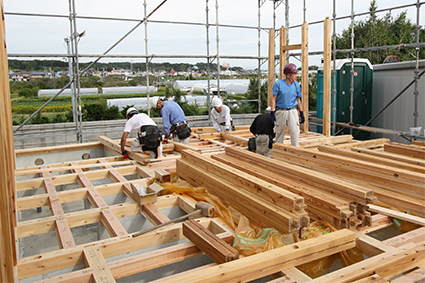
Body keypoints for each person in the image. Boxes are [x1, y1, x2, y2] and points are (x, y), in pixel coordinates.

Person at [270, 63, 305, 147]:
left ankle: (296, 153)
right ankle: (278, 153)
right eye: (295, 74)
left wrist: (301, 112)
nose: (296, 76)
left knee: (295, 133)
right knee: (279, 134)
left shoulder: (296, 85)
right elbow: (273, 98)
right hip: (281, 111)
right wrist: (272, 112)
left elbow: (298, 99)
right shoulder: (278, 84)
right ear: (288, 75)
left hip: (292, 111)